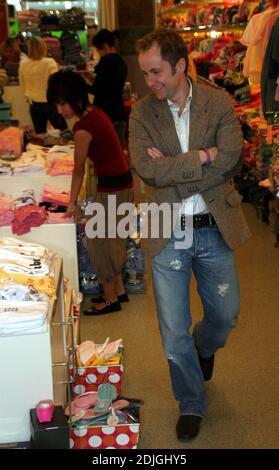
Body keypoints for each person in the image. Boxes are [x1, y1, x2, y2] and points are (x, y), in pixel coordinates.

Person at [129, 29, 251, 441]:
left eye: (157, 72)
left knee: (224, 316)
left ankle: (204, 349)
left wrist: (176, 169)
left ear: (180, 66)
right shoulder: (142, 113)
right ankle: (191, 402)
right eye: (146, 74)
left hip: (214, 229)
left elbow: (232, 158)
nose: (151, 82)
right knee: (172, 330)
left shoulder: (218, 101)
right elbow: (147, 170)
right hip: (168, 232)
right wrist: (202, 156)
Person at [47, 69, 133, 315]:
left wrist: (71, 203)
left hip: (112, 187)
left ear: (75, 98)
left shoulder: (83, 127)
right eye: (57, 104)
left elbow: (78, 170)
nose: (61, 110)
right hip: (121, 183)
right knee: (113, 239)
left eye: (63, 103)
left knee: (98, 243)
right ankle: (118, 291)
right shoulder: (95, 112)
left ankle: (109, 299)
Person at [89, 29, 128, 148]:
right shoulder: (121, 61)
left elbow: (97, 89)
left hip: (105, 112)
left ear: (105, 46)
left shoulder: (106, 62)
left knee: (105, 150)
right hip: (119, 110)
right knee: (119, 151)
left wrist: (81, 84)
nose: (99, 53)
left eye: (98, 49)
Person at [19, 36, 67, 134]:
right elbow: (56, 82)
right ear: (43, 47)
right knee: (64, 132)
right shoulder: (49, 62)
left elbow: (22, 84)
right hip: (51, 103)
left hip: (34, 104)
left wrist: (28, 97)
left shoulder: (23, 64)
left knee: (40, 135)